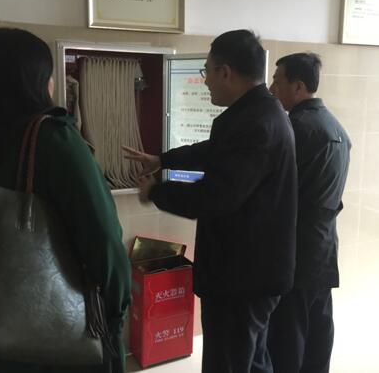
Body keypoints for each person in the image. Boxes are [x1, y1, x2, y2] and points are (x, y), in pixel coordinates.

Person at [123, 29, 298, 373]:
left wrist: (155, 192)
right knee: (252, 360)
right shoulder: (258, 112)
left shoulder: (255, 123)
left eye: (207, 71)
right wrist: (162, 160)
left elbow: (215, 198)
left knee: (228, 362)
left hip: (242, 278)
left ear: (225, 72)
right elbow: (213, 151)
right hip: (255, 273)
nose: (205, 82)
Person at [0, 28, 131, 373]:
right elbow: (103, 240)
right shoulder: (53, 140)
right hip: (49, 340)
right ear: (39, 81)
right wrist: (116, 311)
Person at [268, 53, 351, 373]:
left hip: (296, 250)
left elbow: (276, 193)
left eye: (278, 81)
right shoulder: (336, 127)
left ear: (299, 86)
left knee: (288, 335)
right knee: (318, 329)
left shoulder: (295, 129)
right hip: (324, 247)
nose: (272, 88)